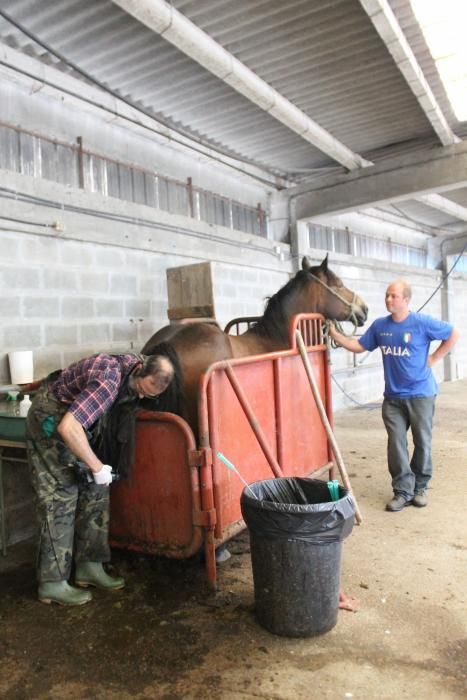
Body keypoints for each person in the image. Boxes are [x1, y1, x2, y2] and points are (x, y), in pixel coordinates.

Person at [26, 350, 176, 606]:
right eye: (143, 390)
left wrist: (96, 471)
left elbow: (82, 423)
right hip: (50, 421)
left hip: (76, 424)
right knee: (60, 495)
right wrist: (96, 466)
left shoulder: (134, 365)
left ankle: (89, 566)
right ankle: (52, 583)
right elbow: (68, 428)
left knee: (96, 489)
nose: (140, 396)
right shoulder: (109, 381)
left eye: (149, 396)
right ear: (141, 371)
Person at [329, 280, 459, 512]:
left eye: (394, 296)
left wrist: (434, 359)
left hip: (421, 395)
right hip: (393, 398)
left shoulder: (422, 323)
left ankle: (420, 487)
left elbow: (453, 333)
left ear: (406, 300)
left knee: (422, 442)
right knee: (396, 444)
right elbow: (359, 346)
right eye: (387, 296)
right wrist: (334, 333)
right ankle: (402, 491)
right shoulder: (380, 326)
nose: (388, 300)